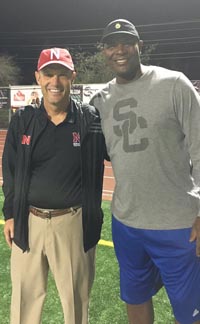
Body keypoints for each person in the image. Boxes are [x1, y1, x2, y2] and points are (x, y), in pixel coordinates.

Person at [90, 19, 200, 324]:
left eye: (126, 41)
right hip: (126, 222)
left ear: (139, 45)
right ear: (105, 51)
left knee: (190, 311)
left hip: (178, 223)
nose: (119, 49)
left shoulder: (174, 83)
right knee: (135, 297)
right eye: (112, 44)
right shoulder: (100, 100)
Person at [2, 47, 107, 324]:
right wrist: (10, 213)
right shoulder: (23, 121)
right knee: (24, 303)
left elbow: (121, 151)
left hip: (73, 223)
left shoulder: (91, 119)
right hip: (29, 221)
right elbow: (10, 170)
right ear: (38, 77)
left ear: (72, 76)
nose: (55, 82)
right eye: (49, 74)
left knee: (75, 305)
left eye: (62, 74)